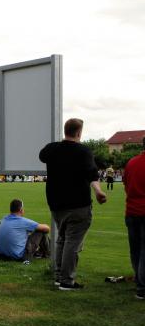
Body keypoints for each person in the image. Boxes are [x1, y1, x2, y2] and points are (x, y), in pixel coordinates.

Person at [39, 118, 107, 291]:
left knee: (62, 239)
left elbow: (42, 155)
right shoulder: (83, 152)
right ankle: (66, 281)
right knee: (72, 243)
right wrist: (98, 191)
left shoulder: (51, 149)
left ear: (65, 130)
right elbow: (92, 174)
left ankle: (58, 275)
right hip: (78, 204)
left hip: (56, 203)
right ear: (79, 132)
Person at [123, 137, 145, 300]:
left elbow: (126, 184)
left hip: (131, 211)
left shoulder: (131, 162)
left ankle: (139, 280)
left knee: (135, 249)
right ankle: (142, 287)